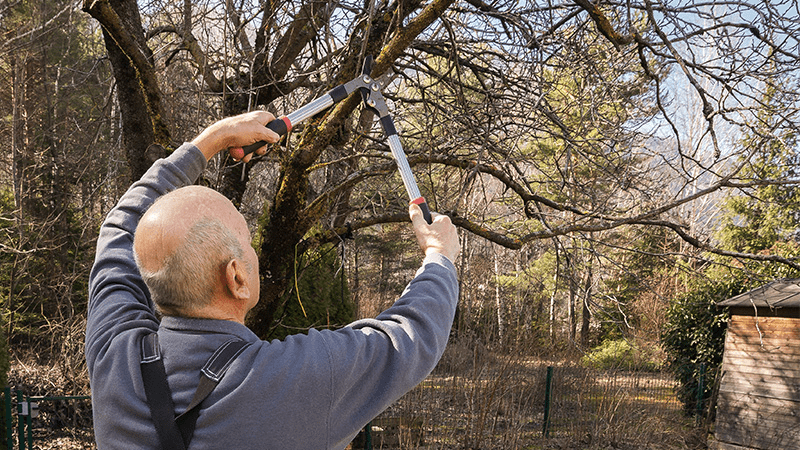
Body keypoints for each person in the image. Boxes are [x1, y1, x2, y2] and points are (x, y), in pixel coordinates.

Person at [85, 111, 460, 449]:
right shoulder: (298, 380)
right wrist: (438, 254)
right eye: (247, 241)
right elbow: (412, 335)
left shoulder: (113, 359)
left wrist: (212, 139)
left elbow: (121, 227)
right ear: (236, 278)